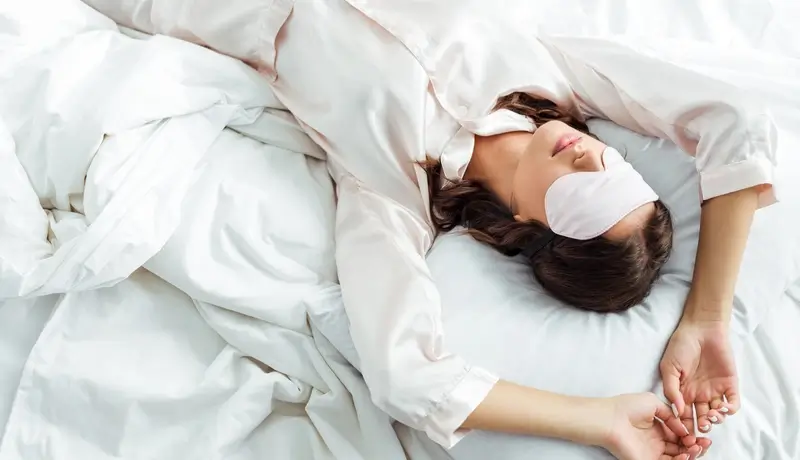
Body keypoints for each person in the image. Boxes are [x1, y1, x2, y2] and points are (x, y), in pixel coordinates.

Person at [83, 1, 779, 459]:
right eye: (620, 167)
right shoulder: (553, 76)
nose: (596, 158)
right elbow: (735, 122)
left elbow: (406, 374)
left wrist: (597, 419)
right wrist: (706, 319)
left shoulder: (389, 193)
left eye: (594, 198)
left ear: (536, 232)